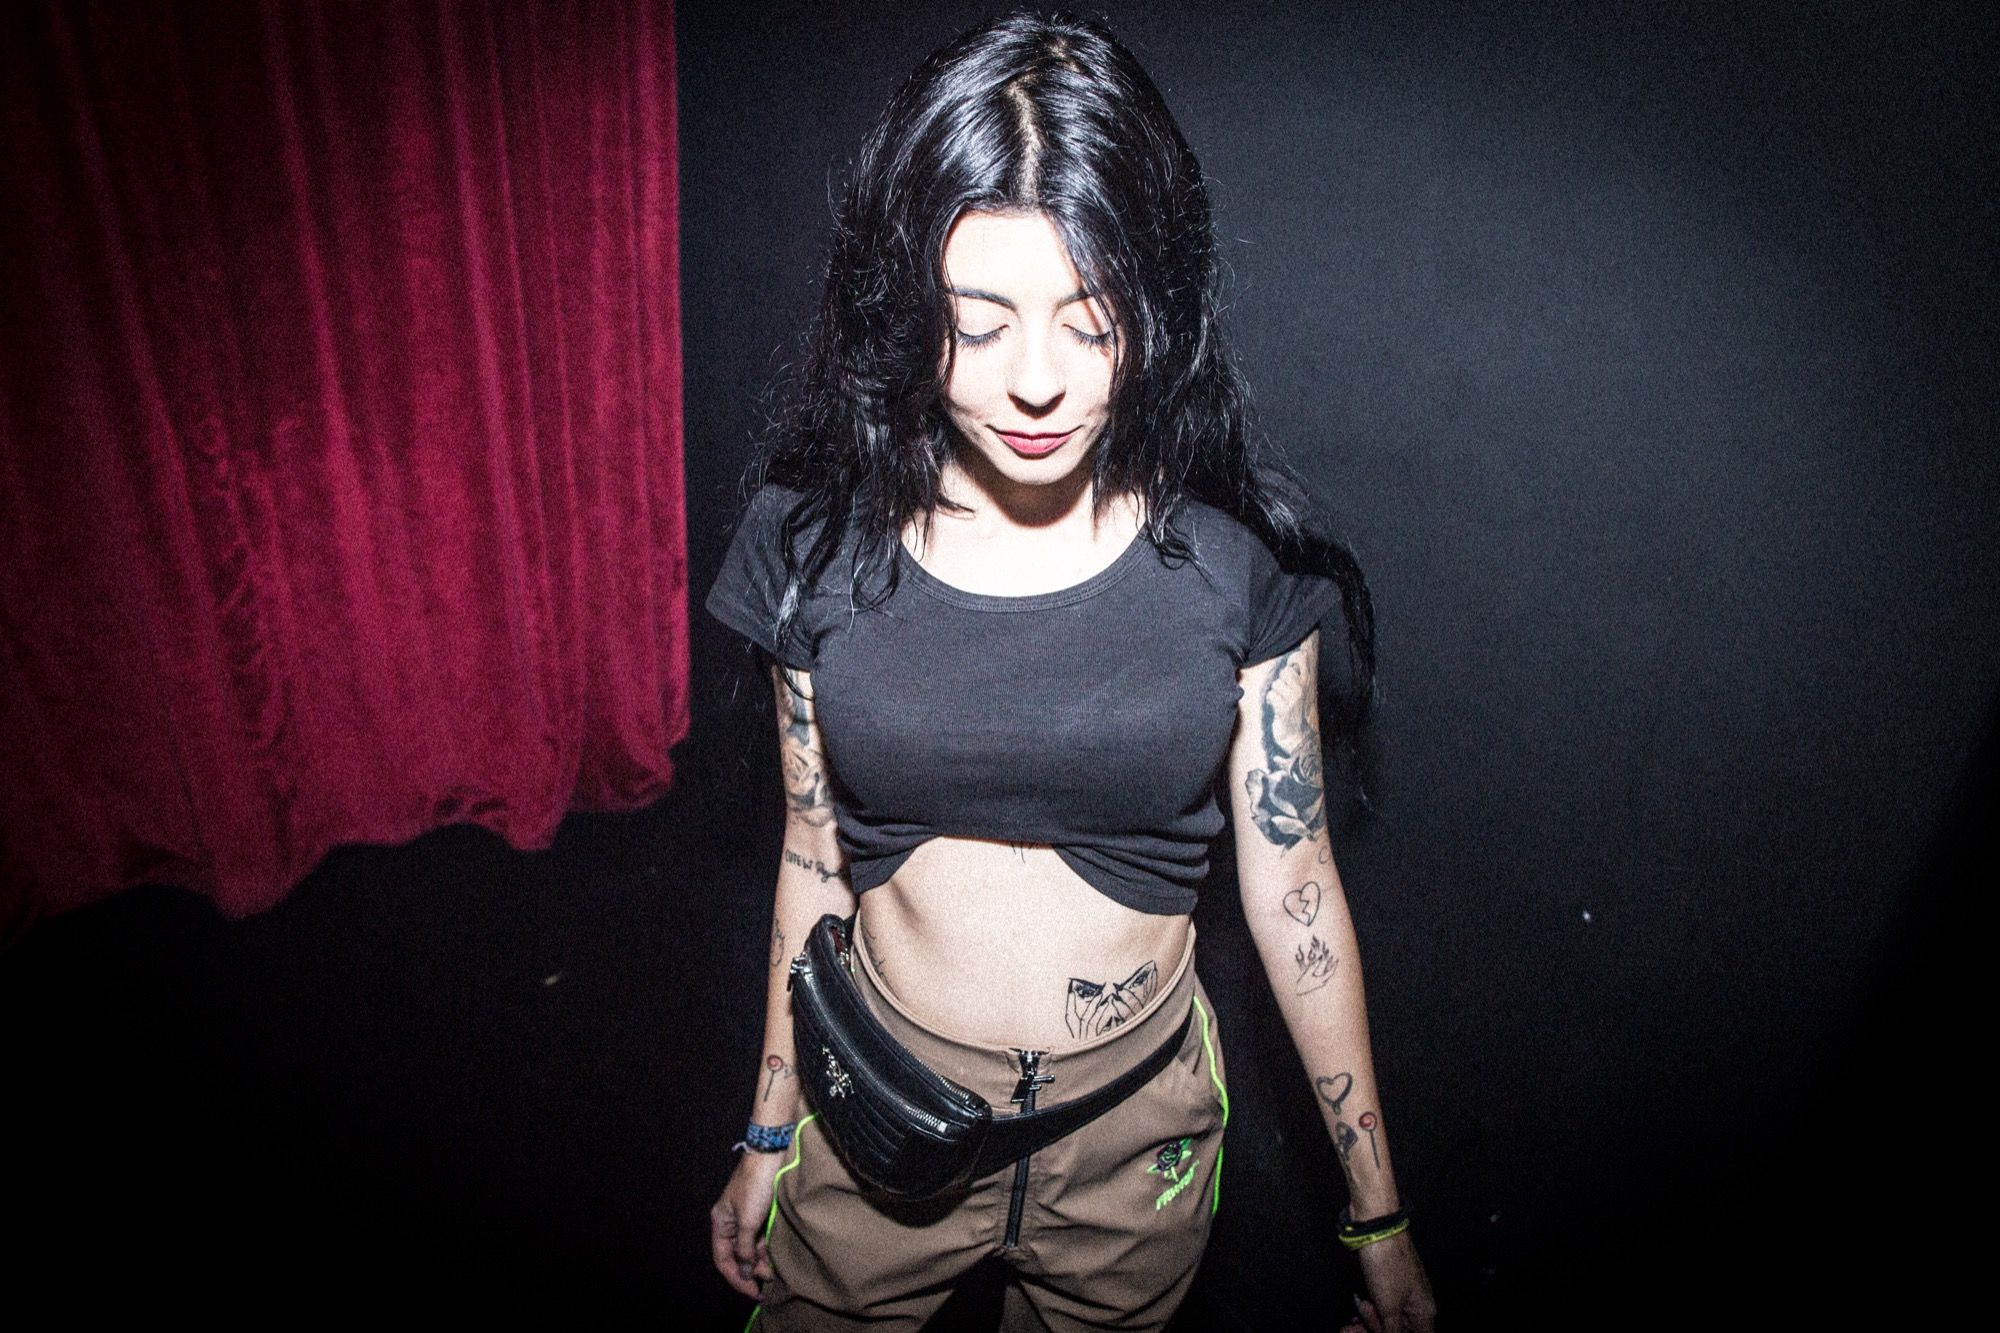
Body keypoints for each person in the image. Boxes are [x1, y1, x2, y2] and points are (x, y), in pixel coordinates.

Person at [704, 11, 1435, 1332]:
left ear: (1154, 309)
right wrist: (768, 1131)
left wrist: (1376, 1214)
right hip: (877, 1119)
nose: (1035, 383)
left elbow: (1295, 890)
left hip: (1135, 1146)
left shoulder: (1239, 563)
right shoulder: (812, 550)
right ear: (906, 307)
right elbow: (813, 853)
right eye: (978, 327)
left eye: (1089, 322)